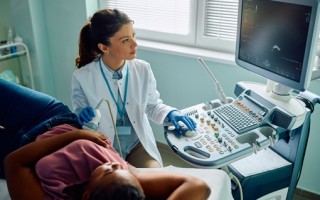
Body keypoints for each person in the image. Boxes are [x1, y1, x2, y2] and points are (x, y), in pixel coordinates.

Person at [72, 9, 196, 168]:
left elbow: (152, 106)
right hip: (104, 146)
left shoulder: (143, 69)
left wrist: (170, 113)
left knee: (155, 176)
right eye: (125, 40)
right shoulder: (82, 77)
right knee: (119, 185)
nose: (135, 44)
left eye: (134, 36)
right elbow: (79, 111)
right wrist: (82, 114)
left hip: (137, 145)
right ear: (104, 47)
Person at [4, 123, 211, 200]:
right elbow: (199, 186)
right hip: (57, 117)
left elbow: (14, 162)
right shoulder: (126, 188)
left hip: (22, 145)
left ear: (87, 195)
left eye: (108, 171)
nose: (114, 165)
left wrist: (76, 136)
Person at [0, 79, 79, 179]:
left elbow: (11, 161)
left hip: (25, 156)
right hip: (53, 117)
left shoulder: (61, 192)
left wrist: (79, 135)